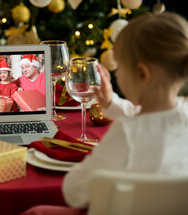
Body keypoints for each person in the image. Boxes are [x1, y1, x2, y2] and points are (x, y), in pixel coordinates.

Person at [22, 12, 188, 214]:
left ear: (142, 74)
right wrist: (110, 103)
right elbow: (145, 117)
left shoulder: (126, 133)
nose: (117, 73)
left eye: (120, 67)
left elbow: (74, 192)